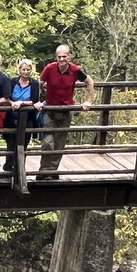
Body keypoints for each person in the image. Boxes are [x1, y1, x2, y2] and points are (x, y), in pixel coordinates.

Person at [37, 44, 94, 180]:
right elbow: (39, 83)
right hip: (50, 109)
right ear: (56, 57)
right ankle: (43, 171)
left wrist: (88, 101)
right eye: (59, 57)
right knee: (47, 142)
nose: (62, 59)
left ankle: (52, 170)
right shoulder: (50, 68)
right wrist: (38, 99)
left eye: (64, 56)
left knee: (59, 143)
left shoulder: (75, 70)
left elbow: (89, 82)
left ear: (69, 56)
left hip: (66, 110)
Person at [3, 58, 43, 172]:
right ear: (19, 69)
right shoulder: (13, 81)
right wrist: (12, 103)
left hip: (27, 118)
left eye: (28, 69)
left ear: (31, 70)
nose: (25, 72)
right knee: (10, 144)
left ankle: (19, 169)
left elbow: (34, 100)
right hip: (12, 117)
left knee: (23, 144)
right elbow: (7, 97)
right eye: (23, 69)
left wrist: (21, 103)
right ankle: (7, 168)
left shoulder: (34, 83)